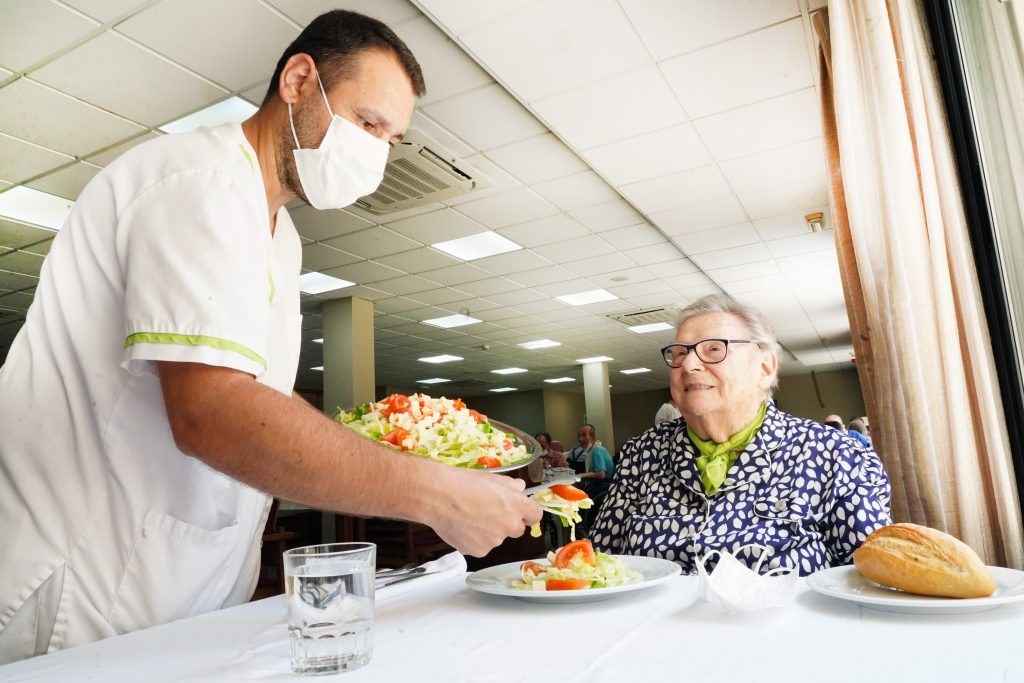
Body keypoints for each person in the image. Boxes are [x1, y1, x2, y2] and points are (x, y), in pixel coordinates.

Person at [0, 10, 540, 664]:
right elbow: (213, 412)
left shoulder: (282, 240)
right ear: (298, 80)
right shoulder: (200, 182)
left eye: (391, 140)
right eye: (368, 123)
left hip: (183, 589)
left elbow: (261, 418)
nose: (376, 152)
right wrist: (433, 491)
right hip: (84, 586)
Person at [591, 294, 891, 576]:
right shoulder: (642, 454)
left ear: (765, 366)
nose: (689, 364)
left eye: (714, 349)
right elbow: (596, 564)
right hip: (650, 629)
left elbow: (874, 577)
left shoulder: (834, 454)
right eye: (680, 353)